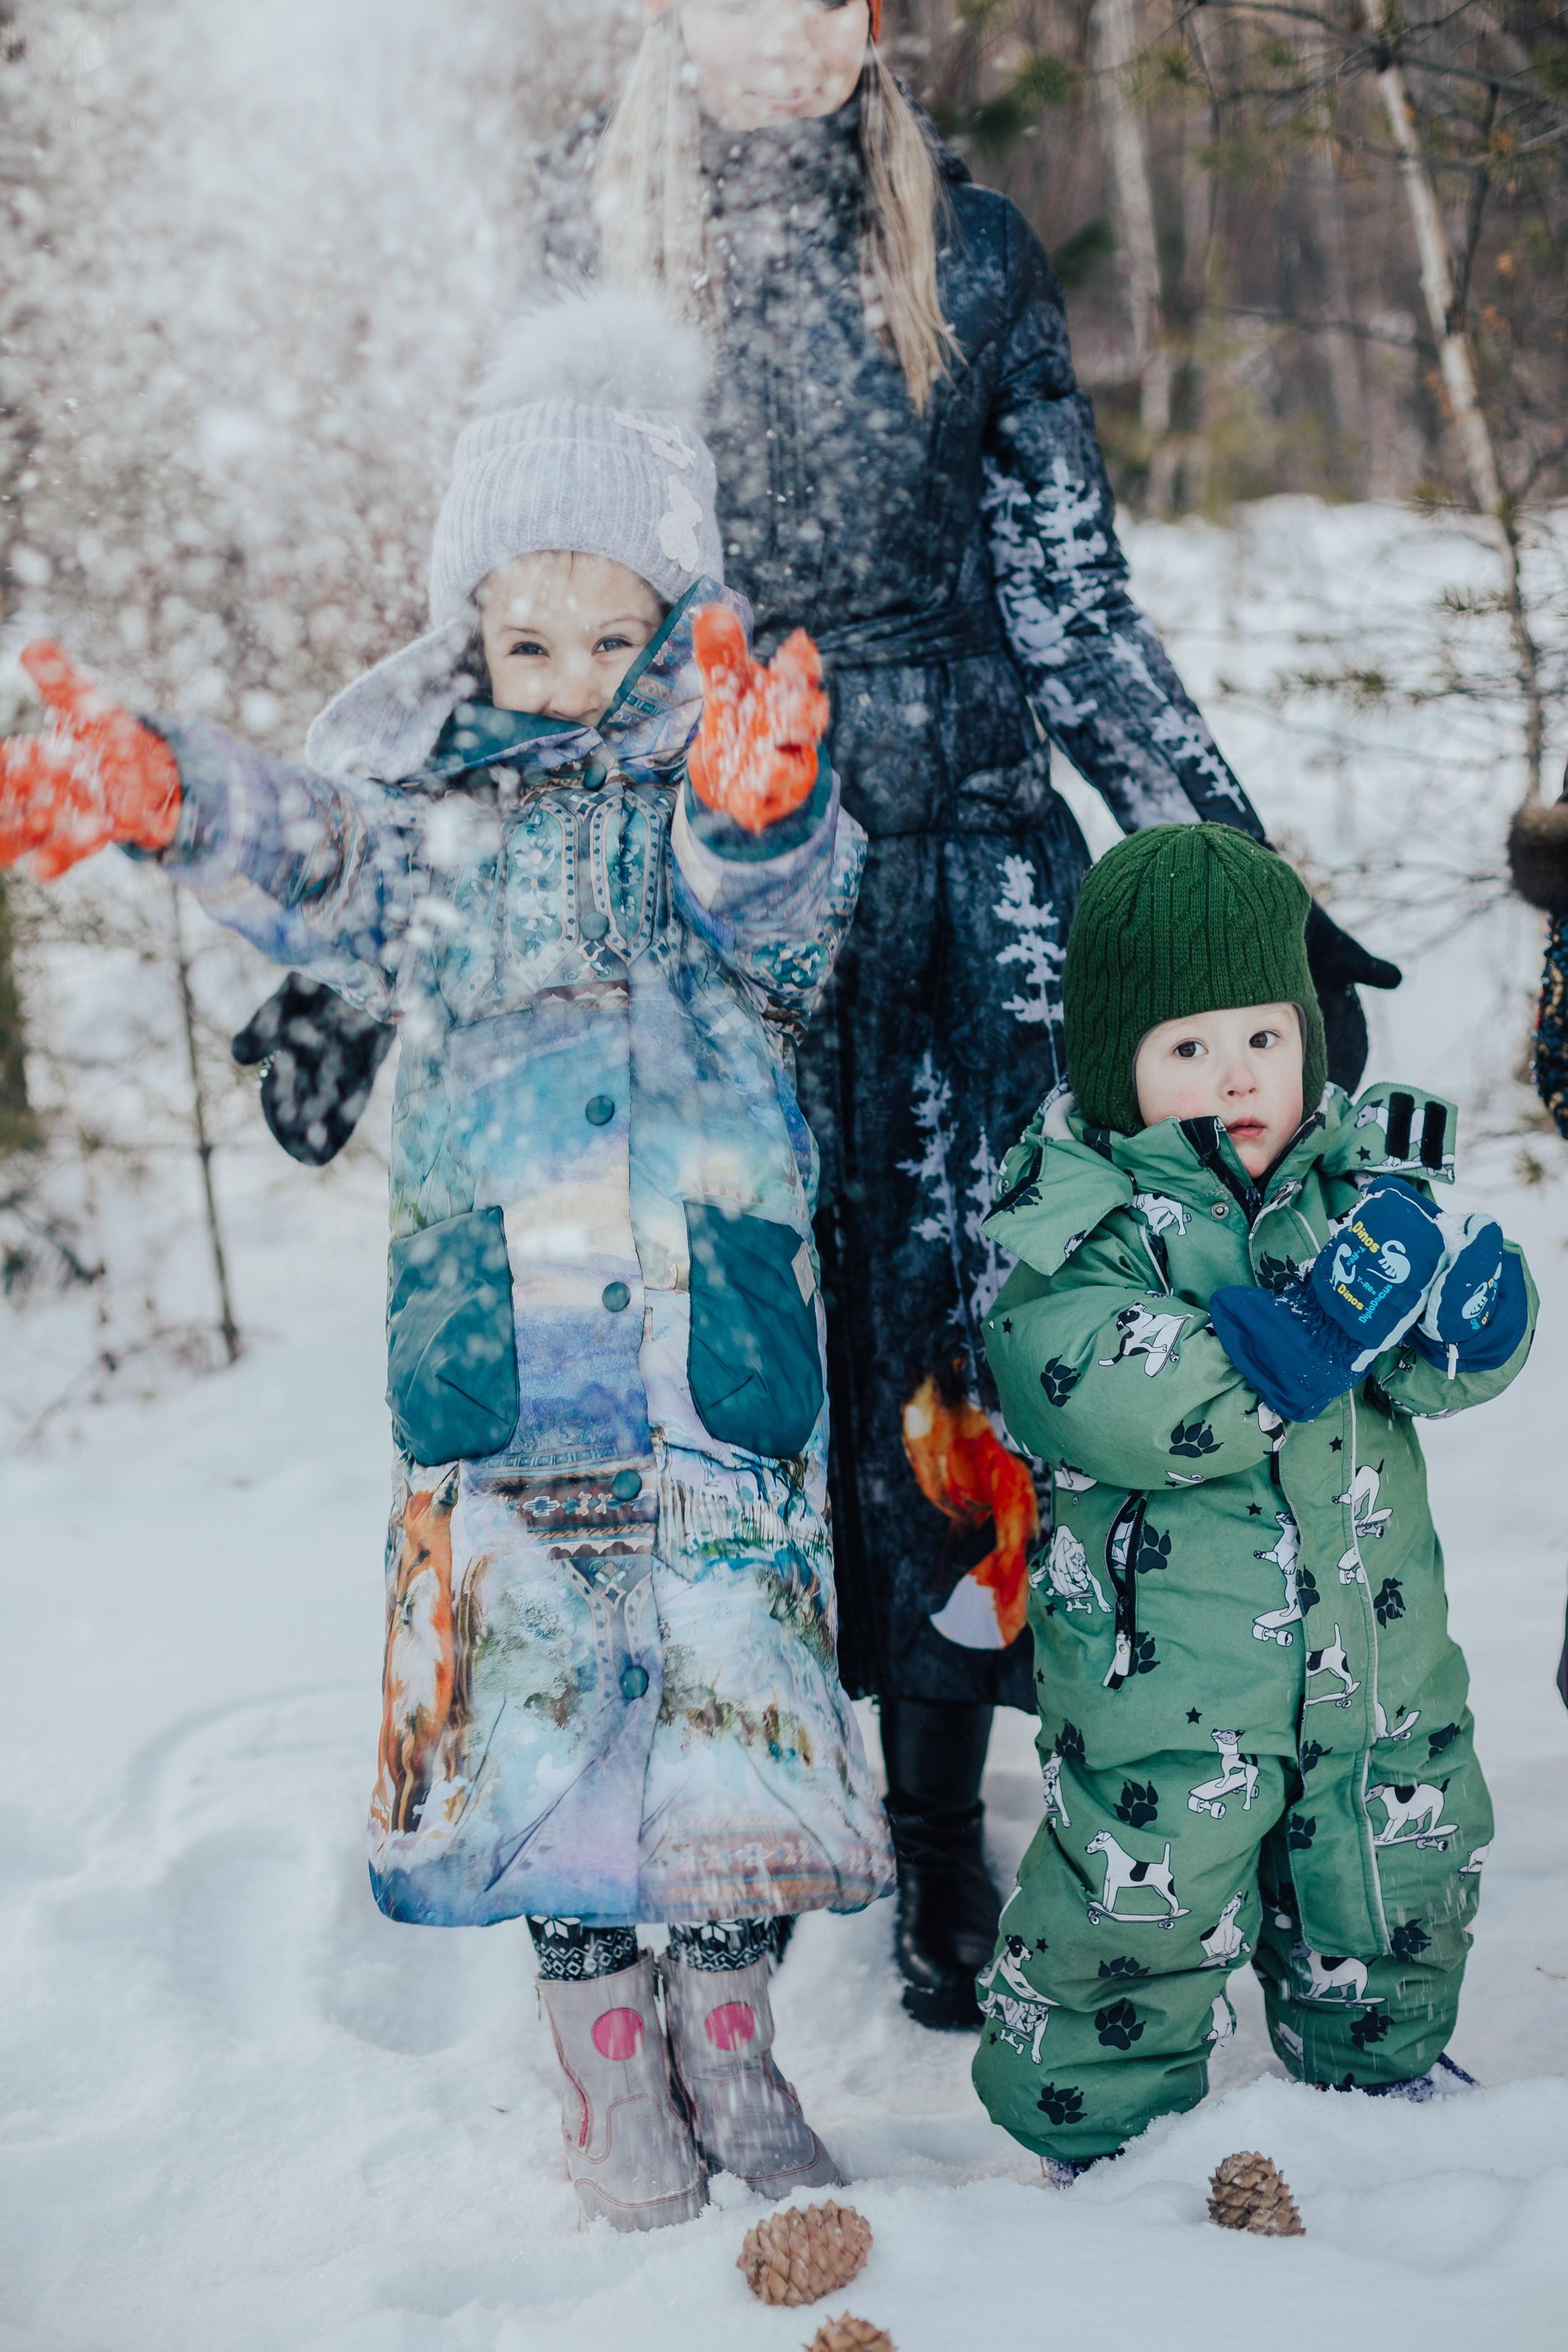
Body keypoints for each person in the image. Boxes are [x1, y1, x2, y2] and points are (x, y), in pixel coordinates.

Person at [234, 0, 1400, 2031]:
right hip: (672, 923)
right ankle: (712, 1848)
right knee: (723, 1385)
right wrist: (336, 951)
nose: (786, 27)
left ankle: (944, 1829)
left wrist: (1248, 901)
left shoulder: (971, 248)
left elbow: (1074, 603)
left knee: (956, 1369)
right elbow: (500, 628)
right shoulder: (577, 246)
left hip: (957, 890)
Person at [0, 289, 892, 2231]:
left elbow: (796, 925)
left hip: (708, 1355)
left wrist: (768, 816)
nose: (571, 675)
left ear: (675, 627)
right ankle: (599, 2072)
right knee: (543, 1724)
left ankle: (735, 2044)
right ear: (464, 636)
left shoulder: (715, 796)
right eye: (525, 635)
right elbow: (305, 857)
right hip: (506, 1361)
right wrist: (174, 788)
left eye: (613, 633)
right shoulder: (427, 826)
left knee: (734, 1710)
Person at [968, 825, 1534, 2171]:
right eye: (1187, 1049)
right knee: (1135, 1916)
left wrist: (1469, 1318)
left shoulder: (1359, 1195)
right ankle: (1095, 2135)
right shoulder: (1079, 1227)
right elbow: (1097, 1385)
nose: (1235, 1075)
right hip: (1171, 1697)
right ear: (1118, 1065)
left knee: (1396, 1870)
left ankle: (1380, 2079)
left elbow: (1443, 1383)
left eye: (1265, 1041)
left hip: (1379, 1658)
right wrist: (1305, 1334)